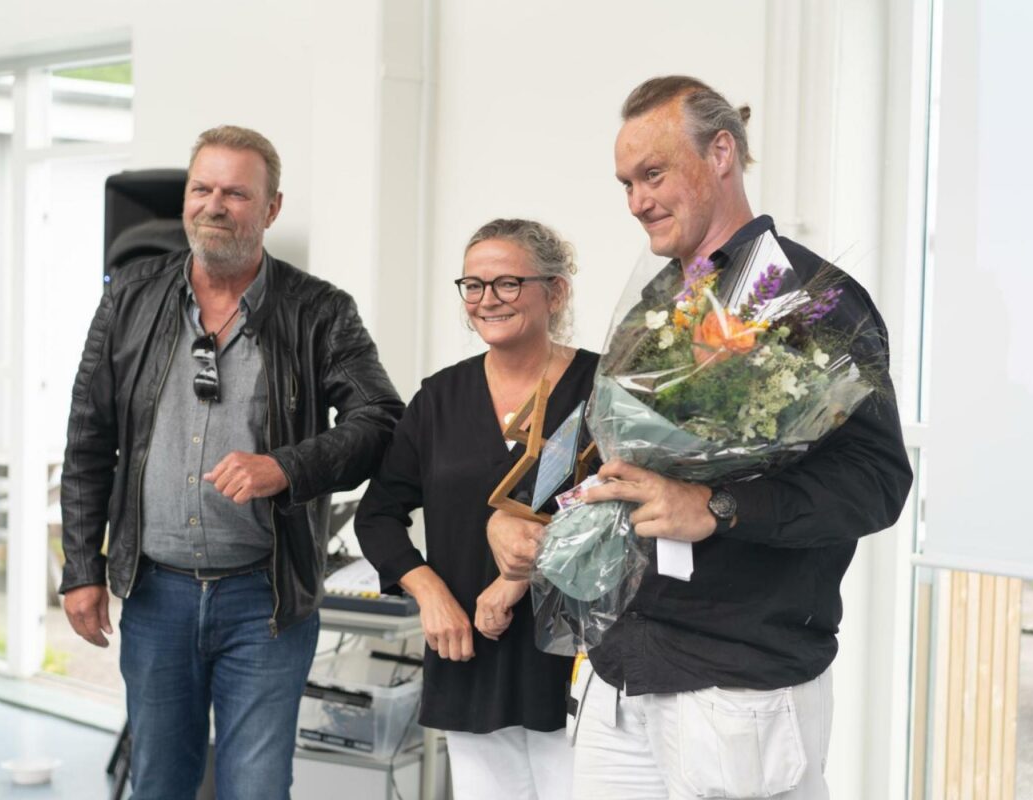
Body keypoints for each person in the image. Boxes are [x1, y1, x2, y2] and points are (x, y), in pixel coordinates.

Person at [487, 77, 914, 799]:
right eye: (626, 183)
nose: (636, 202)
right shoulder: (652, 308)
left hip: (735, 691)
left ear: (722, 153)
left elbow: (877, 483)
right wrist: (528, 521)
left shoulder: (810, 303)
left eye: (652, 175)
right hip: (619, 676)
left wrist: (717, 506)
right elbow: (615, 461)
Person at [59, 124, 403, 800]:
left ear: (271, 209)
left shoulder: (321, 312)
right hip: (155, 593)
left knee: (256, 787)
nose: (214, 205)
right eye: (201, 189)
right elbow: (89, 438)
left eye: (236, 193)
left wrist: (287, 467)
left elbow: (380, 421)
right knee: (159, 782)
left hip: (264, 601)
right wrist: (80, 567)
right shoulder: (129, 299)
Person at [355, 219, 598, 800]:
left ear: (555, 292)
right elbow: (378, 514)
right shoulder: (439, 398)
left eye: (508, 283)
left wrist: (517, 580)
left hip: (573, 655)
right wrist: (431, 595)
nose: (487, 299)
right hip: (468, 655)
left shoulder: (603, 387)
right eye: (473, 285)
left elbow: (612, 513)